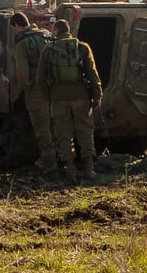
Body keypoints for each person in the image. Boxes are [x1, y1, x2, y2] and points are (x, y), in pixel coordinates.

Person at [36, 19, 102, 181]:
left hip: (58, 97)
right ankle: (89, 169)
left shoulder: (48, 49)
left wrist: (49, 96)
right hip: (80, 96)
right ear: (69, 30)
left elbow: (40, 79)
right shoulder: (82, 47)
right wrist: (97, 95)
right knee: (85, 130)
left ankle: (70, 170)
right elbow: (92, 73)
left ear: (56, 31)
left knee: (63, 133)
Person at [10, 12, 54, 170]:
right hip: (52, 86)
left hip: (36, 88)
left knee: (41, 124)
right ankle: (64, 156)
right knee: (55, 122)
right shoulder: (46, 35)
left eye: (13, 29)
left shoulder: (23, 43)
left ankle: (48, 161)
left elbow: (22, 72)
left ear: (16, 26)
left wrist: (26, 87)